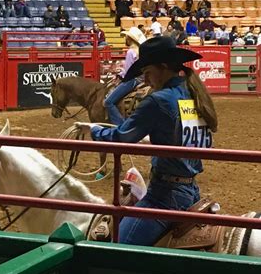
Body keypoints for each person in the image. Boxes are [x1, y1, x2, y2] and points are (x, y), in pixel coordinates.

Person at [77, 36, 217, 246]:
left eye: (148, 72)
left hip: (164, 196)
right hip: (190, 189)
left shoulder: (158, 100)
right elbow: (193, 140)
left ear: (162, 67)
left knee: (116, 247)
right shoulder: (193, 95)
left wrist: (96, 130)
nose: (146, 79)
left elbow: (121, 137)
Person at [103, 27, 146, 125]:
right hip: (141, 80)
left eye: (126, 36)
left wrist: (120, 73)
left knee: (108, 102)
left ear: (130, 38)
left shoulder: (131, 52)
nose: (125, 38)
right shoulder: (140, 51)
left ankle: (121, 126)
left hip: (132, 80)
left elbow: (128, 72)